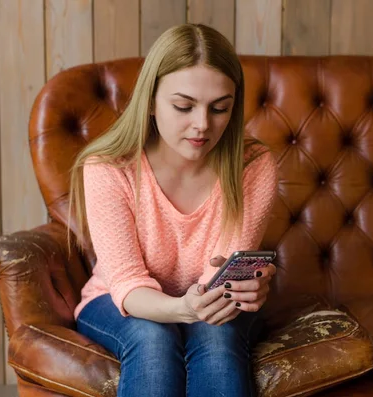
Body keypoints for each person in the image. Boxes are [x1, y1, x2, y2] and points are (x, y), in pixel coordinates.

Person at [68, 23, 278, 397]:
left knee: (216, 336)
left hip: (209, 306)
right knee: (151, 337)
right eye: (183, 106)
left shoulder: (253, 165)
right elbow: (127, 284)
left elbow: (223, 279)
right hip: (118, 299)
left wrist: (248, 287)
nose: (202, 125)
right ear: (150, 100)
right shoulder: (108, 166)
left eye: (220, 108)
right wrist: (182, 309)